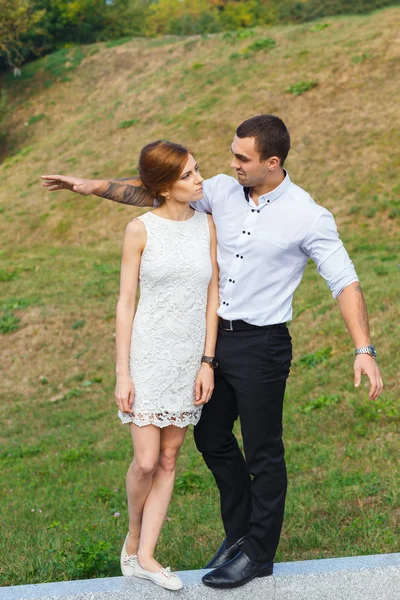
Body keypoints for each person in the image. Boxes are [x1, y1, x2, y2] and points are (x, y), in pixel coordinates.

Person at [41, 114, 383, 590]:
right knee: (211, 437)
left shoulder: (308, 215)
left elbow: (344, 279)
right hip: (208, 341)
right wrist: (89, 186)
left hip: (262, 344)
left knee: (264, 451)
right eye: (231, 154)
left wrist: (362, 348)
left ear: (272, 162)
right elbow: (154, 192)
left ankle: (258, 554)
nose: (231, 164)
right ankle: (239, 532)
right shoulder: (221, 190)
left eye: (241, 158)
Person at [56, 140, 219, 591]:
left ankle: (147, 555)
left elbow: (212, 299)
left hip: (189, 358)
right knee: (146, 461)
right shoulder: (139, 229)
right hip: (148, 356)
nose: (199, 179)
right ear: (164, 187)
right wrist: (122, 372)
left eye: (197, 170)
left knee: (169, 458)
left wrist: (207, 361)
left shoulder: (207, 225)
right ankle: (131, 542)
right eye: (188, 175)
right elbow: (126, 303)